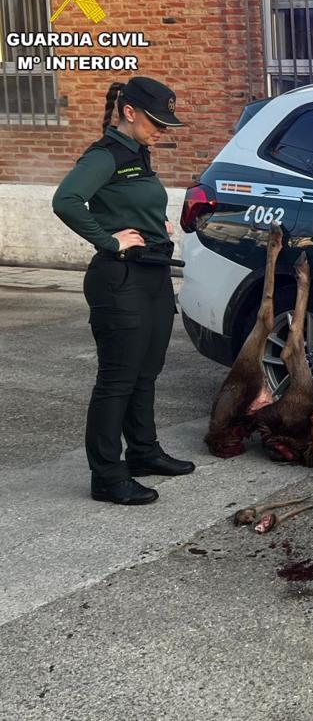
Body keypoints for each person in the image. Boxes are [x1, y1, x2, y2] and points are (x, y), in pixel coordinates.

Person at [52, 77, 195, 505]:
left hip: (151, 274)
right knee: (117, 380)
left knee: (146, 373)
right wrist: (110, 240)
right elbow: (67, 200)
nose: (162, 130)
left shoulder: (138, 152)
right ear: (129, 112)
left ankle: (144, 453)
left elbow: (129, 201)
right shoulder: (105, 155)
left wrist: (155, 225)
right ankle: (108, 476)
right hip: (120, 280)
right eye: (156, 121)